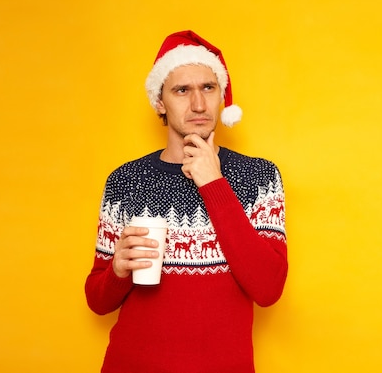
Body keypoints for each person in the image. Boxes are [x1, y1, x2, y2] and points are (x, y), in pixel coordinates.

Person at [85, 30, 288, 373]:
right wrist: (117, 271)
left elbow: (268, 289)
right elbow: (97, 301)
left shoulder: (259, 177)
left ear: (221, 96)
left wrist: (214, 183)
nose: (198, 104)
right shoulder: (124, 180)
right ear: (160, 102)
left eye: (208, 88)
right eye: (182, 90)